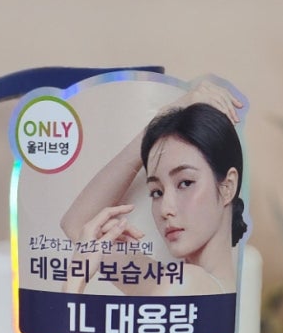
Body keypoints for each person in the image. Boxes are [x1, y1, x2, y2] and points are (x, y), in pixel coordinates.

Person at [60, 80, 247, 295]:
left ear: (227, 187)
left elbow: (79, 227)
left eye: (185, 183)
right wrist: (165, 121)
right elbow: (80, 227)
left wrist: (75, 281)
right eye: (157, 192)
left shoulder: (183, 284)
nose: (165, 209)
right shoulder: (191, 284)